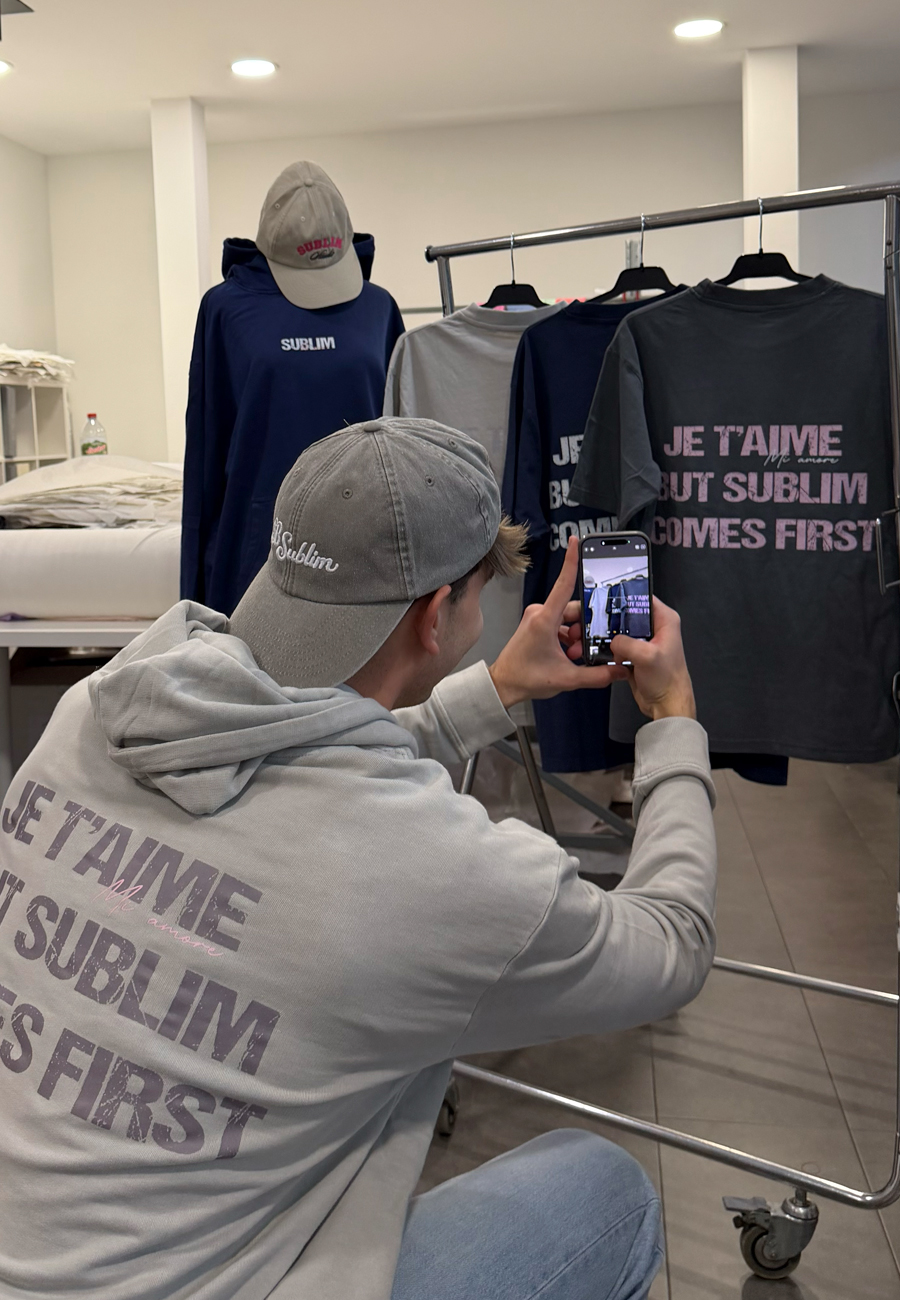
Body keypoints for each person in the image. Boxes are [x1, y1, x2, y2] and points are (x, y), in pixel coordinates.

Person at [0, 417, 716, 1300]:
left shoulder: (93, 714)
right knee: (606, 1193)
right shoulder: (440, 873)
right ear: (438, 615)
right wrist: (673, 720)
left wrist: (494, 691)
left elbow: (300, 772)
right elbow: (673, 944)